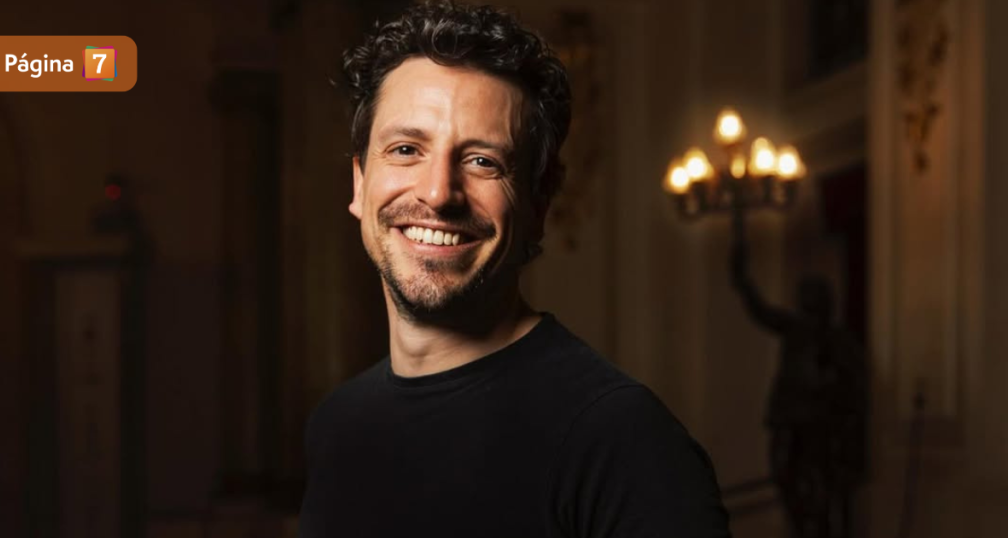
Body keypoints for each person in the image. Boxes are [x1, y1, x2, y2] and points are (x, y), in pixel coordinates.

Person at [298, 2, 731, 537]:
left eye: (483, 161)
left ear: (538, 203)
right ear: (360, 183)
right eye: (406, 149)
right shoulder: (336, 426)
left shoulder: (621, 440)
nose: (438, 193)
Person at [730, 203, 867, 538]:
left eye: (811, 296)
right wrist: (742, 280)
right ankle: (801, 525)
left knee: (821, 491)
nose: (805, 302)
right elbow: (760, 310)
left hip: (819, 425)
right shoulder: (794, 330)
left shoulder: (838, 340)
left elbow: (852, 387)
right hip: (789, 417)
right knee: (784, 475)